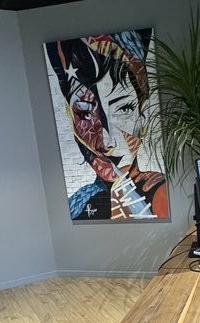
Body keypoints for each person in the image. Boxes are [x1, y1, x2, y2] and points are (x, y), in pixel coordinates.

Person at [45, 31, 169, 221]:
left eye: (124, 109)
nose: (107, 142)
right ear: (70, 118)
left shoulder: (160, 193)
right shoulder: (78, 205)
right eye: (85, 113)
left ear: (142, 115)